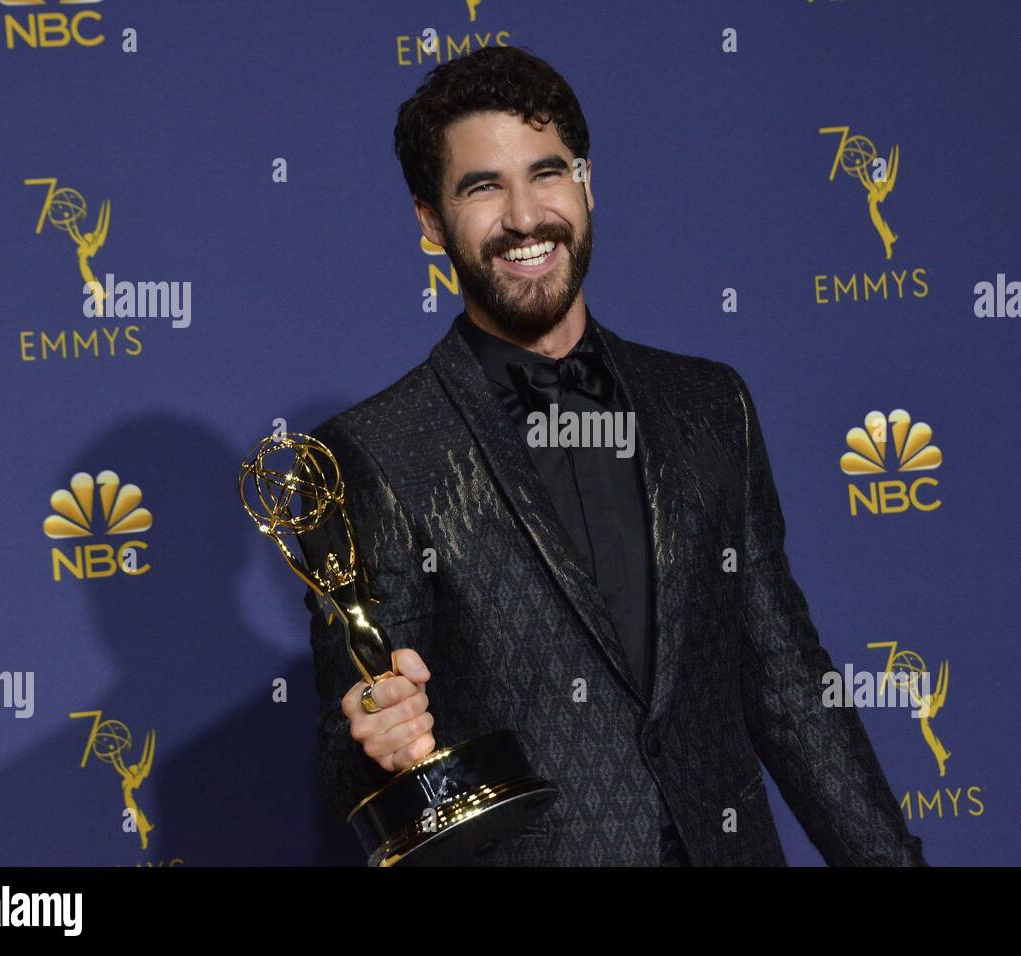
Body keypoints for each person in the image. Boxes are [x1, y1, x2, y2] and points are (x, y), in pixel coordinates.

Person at [302, 44, 926, 867]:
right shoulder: (377, 450)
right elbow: (354, 752)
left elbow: (784, 678)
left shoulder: (710, 406)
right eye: (483, 187)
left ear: (587, 182)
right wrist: (374, 737)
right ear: (429, 220)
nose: (526, 217)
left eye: (547, 173)